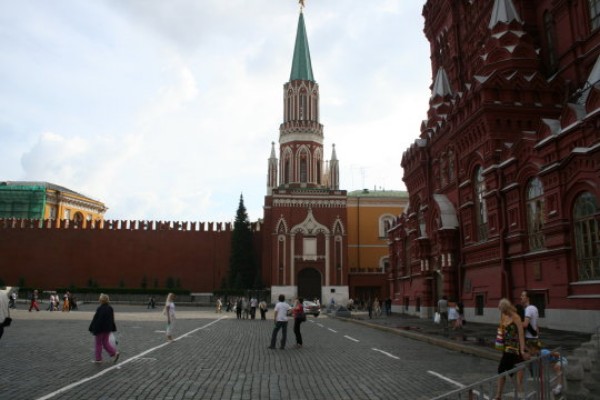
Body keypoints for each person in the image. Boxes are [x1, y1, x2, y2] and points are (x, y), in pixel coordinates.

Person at [494, 298, 530, 400]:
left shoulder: (516, 317)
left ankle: (499, 395)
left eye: (503, 310)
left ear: (506, 308)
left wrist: (522, 350)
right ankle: (519, 392)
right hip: (506, 348)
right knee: (509, 372)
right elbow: (502, 330)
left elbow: (521, 334)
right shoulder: (504, 316)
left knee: (502, 370)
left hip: (514, 348)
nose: (502, 312)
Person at [88, 293, 120, 364]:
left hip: (100, 329)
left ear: (101, 300)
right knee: (105, 343)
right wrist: (112, 327)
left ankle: (98, 359)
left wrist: (92, 328)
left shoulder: (100, 308)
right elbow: (112, 319)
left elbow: (96, 319)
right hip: (107, 329)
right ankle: (114, 353)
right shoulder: (110, 308)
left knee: (98, 343)